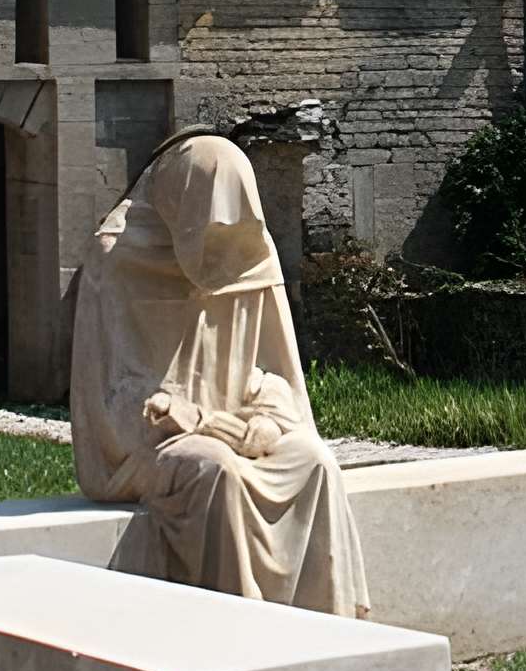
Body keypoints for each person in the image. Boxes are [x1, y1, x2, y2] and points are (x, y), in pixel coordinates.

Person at [69, 127, 369, 615]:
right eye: (206, 223)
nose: (219, 240)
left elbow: (272, 369)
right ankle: (239, 625)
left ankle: (330, 624)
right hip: (155, 442)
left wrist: (264, 416)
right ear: (180, 198)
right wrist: (176, 418)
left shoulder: (250, 252)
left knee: (315, 461)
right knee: (216, 471)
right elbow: (105, 396)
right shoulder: (117, 255)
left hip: (240, 423)